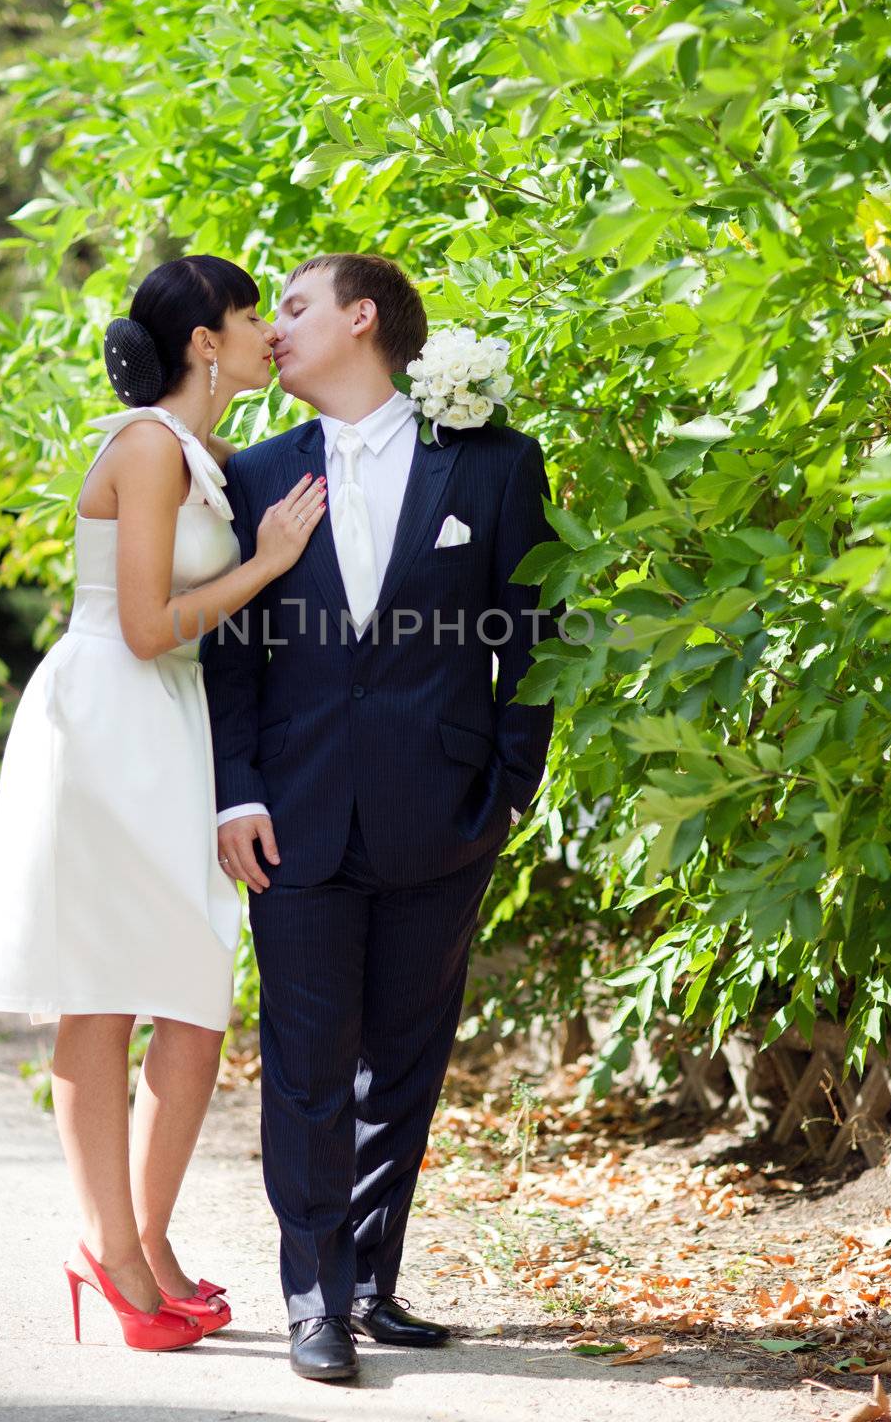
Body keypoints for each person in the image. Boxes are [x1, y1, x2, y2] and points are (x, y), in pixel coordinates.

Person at [203, 252, 556, 1382]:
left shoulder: (494, 464)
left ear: (362, 320)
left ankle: (368, 1282)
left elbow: (529, 636)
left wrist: (504, 789)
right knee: (306, 1067)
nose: (276, 331)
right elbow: (231, 654)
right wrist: (238, 789)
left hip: (442, 812)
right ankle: (313, 1302)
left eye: (293, 308)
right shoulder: (251, 475)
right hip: (292, 817)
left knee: (402, 1061)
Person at [0, 255, 326, 1351]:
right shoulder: (143, 449)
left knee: (191, 990)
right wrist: (264, 567)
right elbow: (142, 624)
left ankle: (145, 1242)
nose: (269, 330)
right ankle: (116, 1253)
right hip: (110, 721)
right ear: (204, 342)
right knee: (107, 990)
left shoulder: (208, 457)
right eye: (253, 312)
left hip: (171, 728)